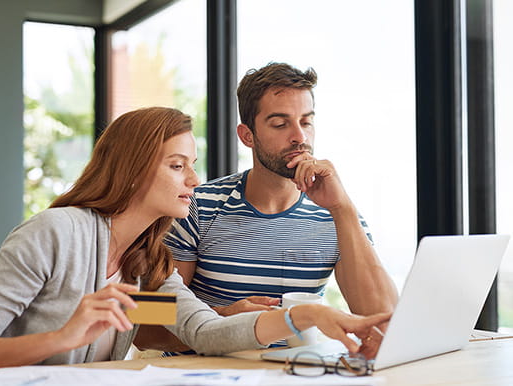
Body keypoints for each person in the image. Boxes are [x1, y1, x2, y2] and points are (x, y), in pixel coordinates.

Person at [0, 107, 391, 374]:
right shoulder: (53, 233)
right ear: (132, 170)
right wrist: (62, 337)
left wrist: (307, 314)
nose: (193, 179)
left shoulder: (147, 262)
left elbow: (204, 332)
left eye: (192, 164)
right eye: (177, 166)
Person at [153, 63, 398, 352]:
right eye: (280, 124)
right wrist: (223, 318)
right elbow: (147, 325)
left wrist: (342, 208)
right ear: (247, 136)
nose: (300, 137)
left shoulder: (338, 213)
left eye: (306, 122)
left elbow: (384, 322)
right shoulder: (196, 206)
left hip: (296, 375)